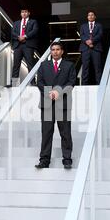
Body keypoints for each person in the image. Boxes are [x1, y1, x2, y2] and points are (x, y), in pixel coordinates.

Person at [35, 42, 77, 170]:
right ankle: (44, 160)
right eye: (53, 50)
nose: (55, 52)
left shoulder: (69, 65)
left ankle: (67, 159)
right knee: (46, 133)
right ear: (50, 52)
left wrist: (58, 91)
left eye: (58, 49)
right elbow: (39, 82)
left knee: (65, 132)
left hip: (62, 103)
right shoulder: (43, 65)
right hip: (47, 103)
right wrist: (49, 92)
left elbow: (71, 82)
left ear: (62, 51)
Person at [11, 8, 39, 86]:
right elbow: (13, 32)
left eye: (25, 12)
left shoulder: (33, 22)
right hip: (18, 45)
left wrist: (25, 36)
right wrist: (18, 37)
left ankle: (33, 82)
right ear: (20, 13)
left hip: (28, 45)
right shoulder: (16, 23)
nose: (24, 13)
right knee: (16, 65)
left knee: (30, 64)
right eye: (22, 12)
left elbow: (35, 30)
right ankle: (14, 83)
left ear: (29, 13)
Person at [79, 10, 103, 85]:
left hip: (96, 48)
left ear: (95, 16)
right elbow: (81, 35)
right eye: (89, 15)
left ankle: (99, 85)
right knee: (85, 68)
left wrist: (92, 41)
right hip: (85, 49)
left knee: (97, 68)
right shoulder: (83, 26)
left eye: (92, 15)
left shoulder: (99, 25)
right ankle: (83, 85)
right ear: (87, 17)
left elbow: (100, 35)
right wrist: (87, 41)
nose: (90, 16)